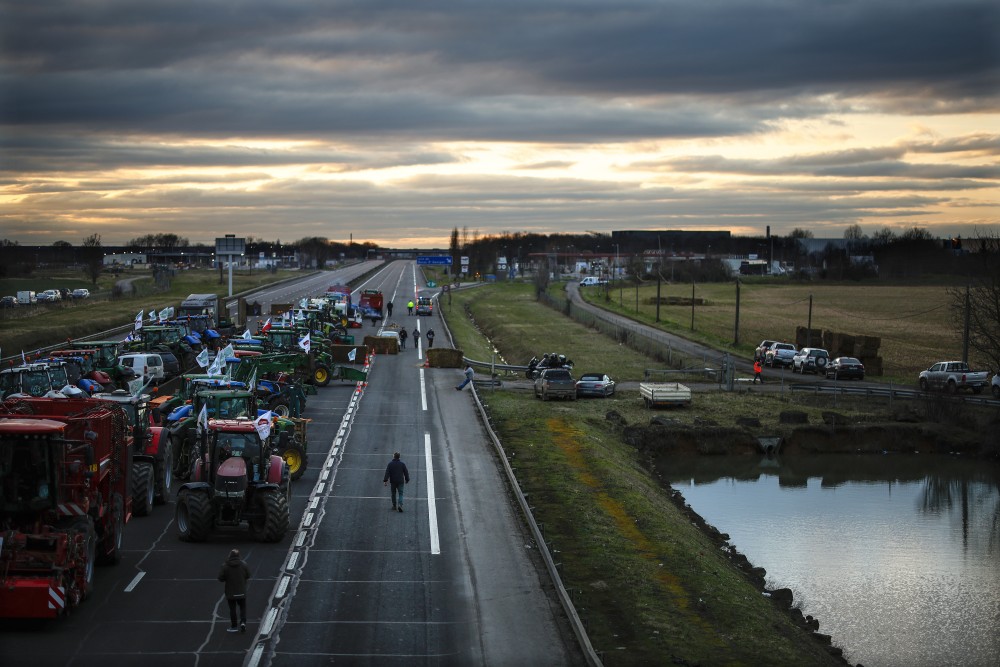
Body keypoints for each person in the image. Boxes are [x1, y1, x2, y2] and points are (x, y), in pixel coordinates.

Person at [218, 548, 251, 633]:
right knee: (242, 607)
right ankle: (243, 622)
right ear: (239, 555)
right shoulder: (244, 565)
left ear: (230, 555)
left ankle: (234, 626)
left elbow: (220, 578)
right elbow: (248, 575)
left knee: (232, 609)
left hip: (230, 592)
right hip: (241, 591)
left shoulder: (225, 565)